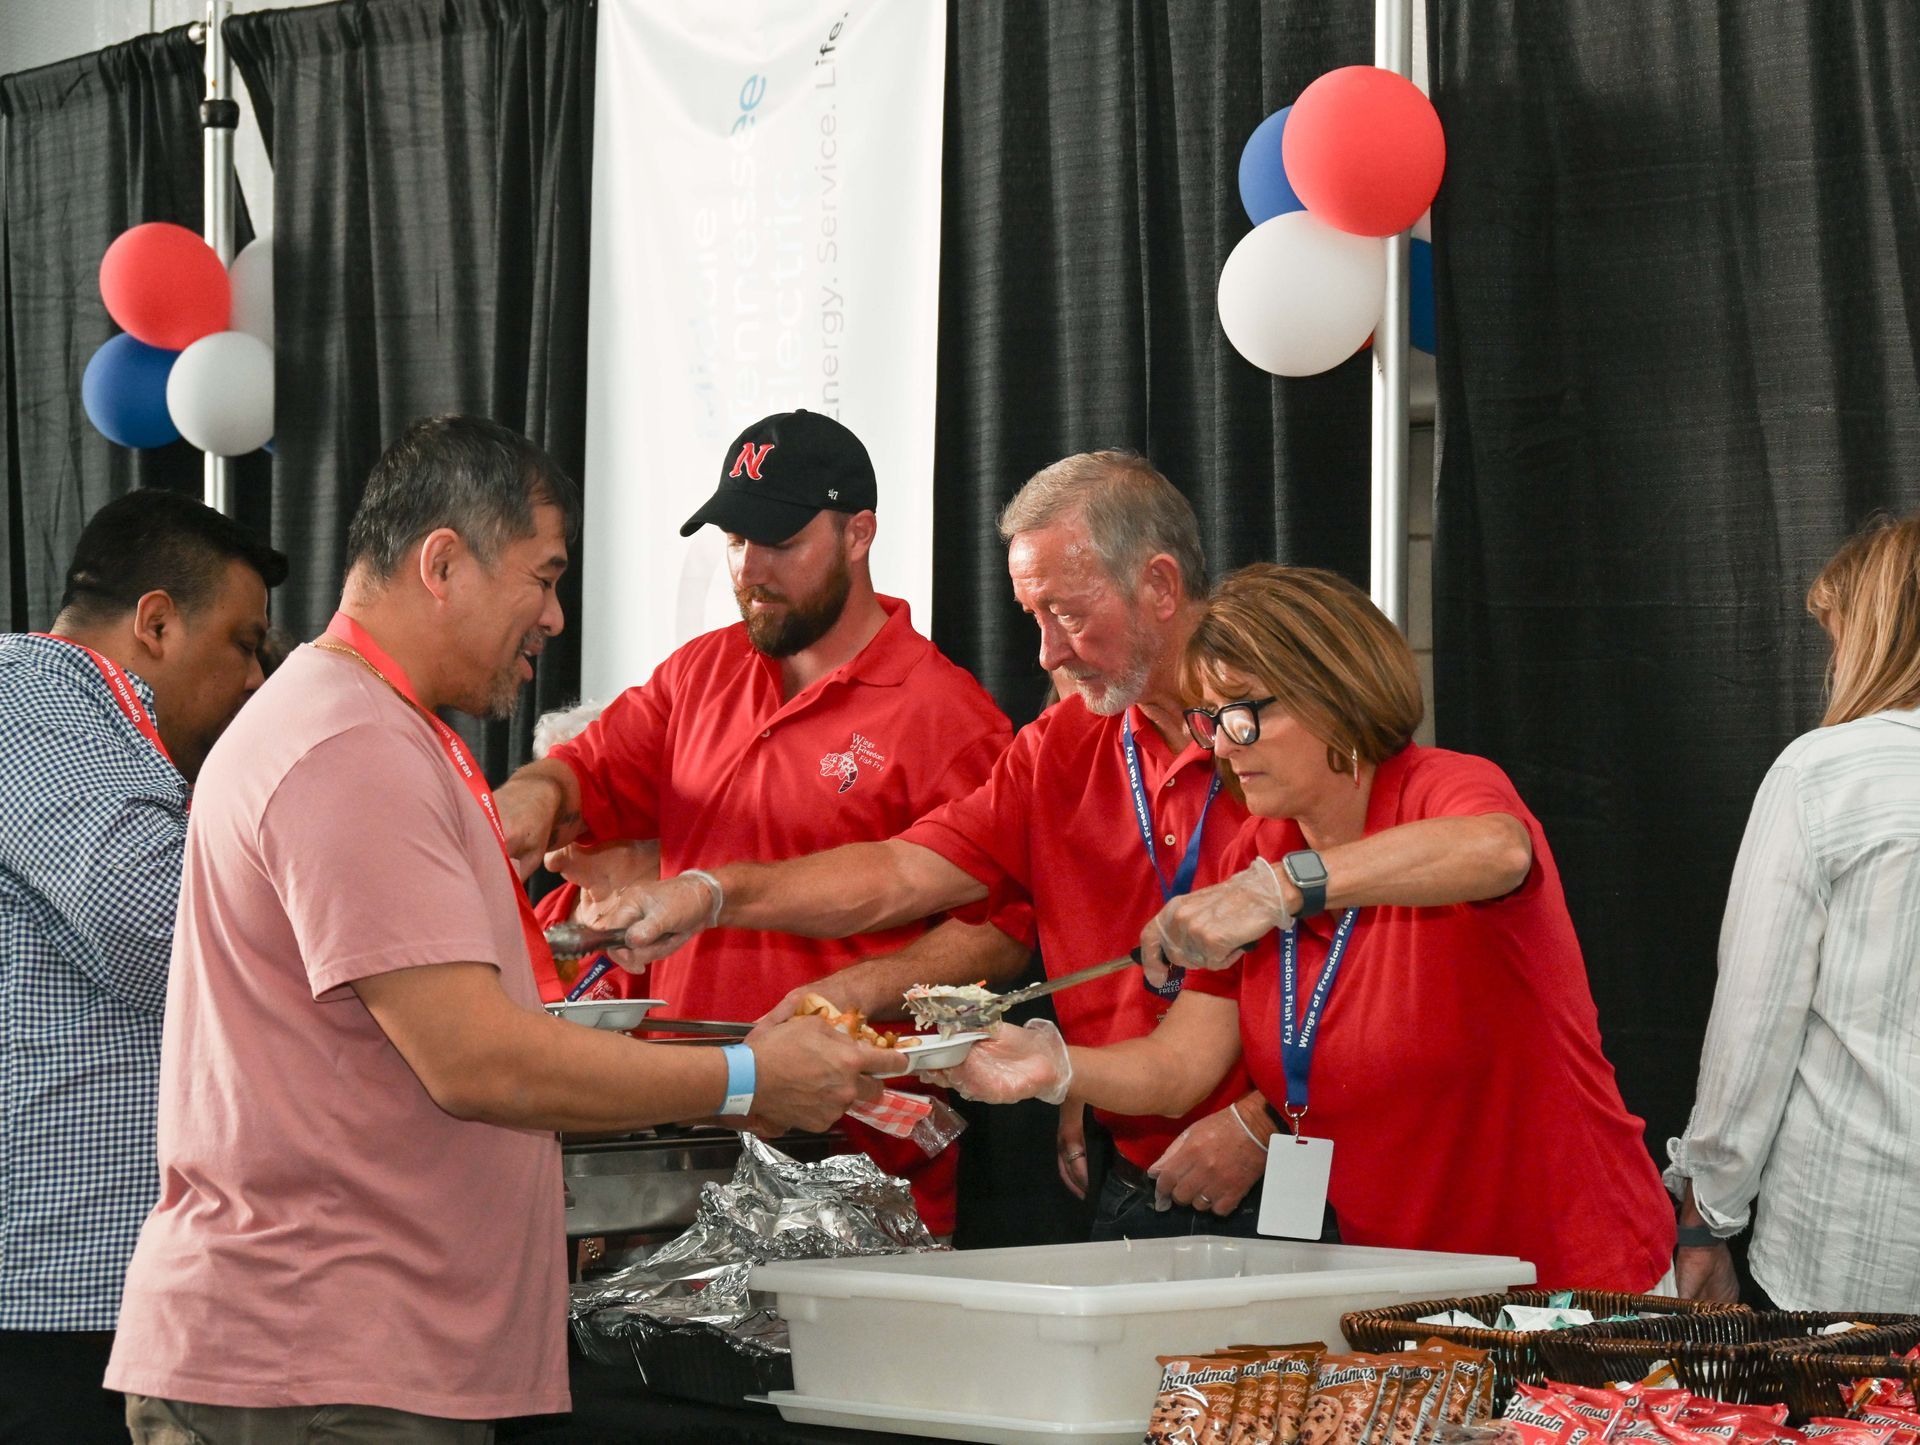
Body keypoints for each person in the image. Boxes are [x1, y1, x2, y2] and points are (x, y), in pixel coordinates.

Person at [106, 416, 895, 1440]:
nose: (557, 615)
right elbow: (479, 1061)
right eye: (544, 575)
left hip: (354, 1358)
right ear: (443, 562)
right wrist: (747, 1076)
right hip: (319, 1364)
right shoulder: (349, 743)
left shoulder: (374, 727)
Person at [566, 451, 1276, 1242]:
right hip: (1137, 1157)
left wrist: (1262, 1121)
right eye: (1031, 616)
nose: (1045, 653)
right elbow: (906, 869)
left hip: (1271, 1163)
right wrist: (710, 892)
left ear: (1161, 586)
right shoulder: (1064, 742)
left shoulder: (1279, 729)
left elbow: (1349, 937)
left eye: (1067, 613)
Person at [942, 563, 1676, 1288]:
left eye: (1241, 712)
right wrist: (1053, 1066)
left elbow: (1498, 850)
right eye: (1210, 718)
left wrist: (1286, 889)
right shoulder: (1258, 845)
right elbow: (1180, 1068)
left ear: (1331, 695)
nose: (1221, 744)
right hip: (1402, 1289)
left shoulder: (1438, 787)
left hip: (1570, 1275)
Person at [496, 410, 1027, 1235]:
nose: (751, 568)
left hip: (853, 1154)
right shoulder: (700, 672)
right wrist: (536, 791)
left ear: (859, 533)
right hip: (686, 1137)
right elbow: (586, 772)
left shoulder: (950, 717)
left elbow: (1003, 933)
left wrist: (844, 994)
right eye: (737, 539)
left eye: (779, 540)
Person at [0, 490, 284, 1444]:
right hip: (56, 1292)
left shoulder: (98, 734)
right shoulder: (30, 693)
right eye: (244, 643)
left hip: (88, 1290)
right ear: (157, 622)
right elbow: (157, 923)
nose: (254, 679)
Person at [1668, 512, 1920, 1310]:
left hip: (1850, 1248)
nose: (1834, 661)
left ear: (1878, 635)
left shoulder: (1825, 774)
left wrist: (1705, 1217)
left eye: (1837, 636)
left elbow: (1754, 1022)